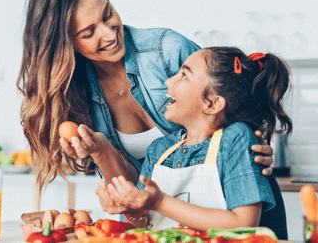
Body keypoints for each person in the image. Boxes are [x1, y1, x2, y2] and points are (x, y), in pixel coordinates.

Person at [17, 0, 284, 235]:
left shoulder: (166, 50)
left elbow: (229, 99)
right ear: (65, 45)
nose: (109, 35)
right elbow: (141, 199)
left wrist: (253, 144)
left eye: (108, 14)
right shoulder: (75, 96)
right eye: (88, 33)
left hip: (249, 218)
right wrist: (102, 152)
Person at [96, 47, 293, 234]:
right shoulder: (159, 150)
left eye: (184, 75)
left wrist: (159, 203)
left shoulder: (235, 139)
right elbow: (138, 229)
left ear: (212, 103)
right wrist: (131, 209)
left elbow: (244, 224)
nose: (168, 82)